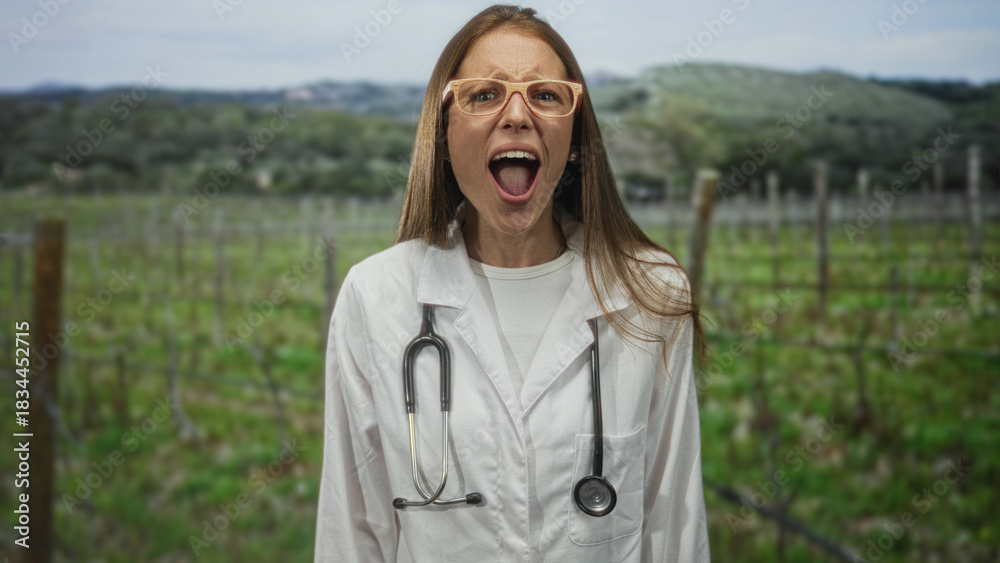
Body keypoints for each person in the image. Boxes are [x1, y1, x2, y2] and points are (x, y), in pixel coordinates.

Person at [315, 5, 709, 562]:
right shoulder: (375, 297)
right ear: (445, 133)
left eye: (546, 95)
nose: (517, 115)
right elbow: (351, 532)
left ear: (574, 137)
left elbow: (674, 528)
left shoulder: (651, 294)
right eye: (483, 94)